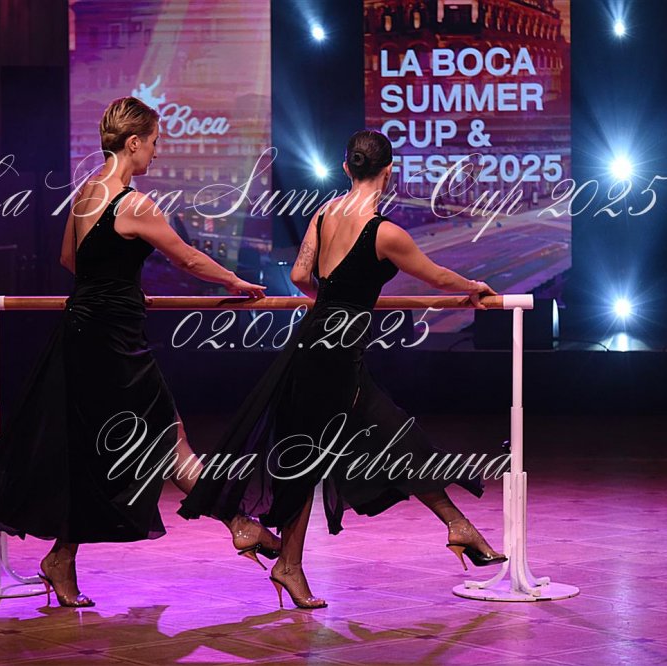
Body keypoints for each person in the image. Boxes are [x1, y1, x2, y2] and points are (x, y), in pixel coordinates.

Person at [0, 97, 280, 607]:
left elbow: (70, 259)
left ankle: (63, 558)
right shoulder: (133, 204)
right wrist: (236, 282)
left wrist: (116, 284)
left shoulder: (86, 194)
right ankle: (237, 523)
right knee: (167, 441)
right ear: (133, 143)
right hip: (115, 344)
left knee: (101, 449)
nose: (156, 151)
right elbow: (188, 258)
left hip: (82, 334)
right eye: (153, 142)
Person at [179, 130, 505, 610]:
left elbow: (299, 276)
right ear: (389, 172)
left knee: (359, 444)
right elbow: (435, 276)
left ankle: (454, 527)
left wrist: (333, 303)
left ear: (347, 168)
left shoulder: (324, 213)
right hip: (335, 357)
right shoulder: (384, 232)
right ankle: (449, 528)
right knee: (370, 443)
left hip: (315, 343)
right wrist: (474, 286)